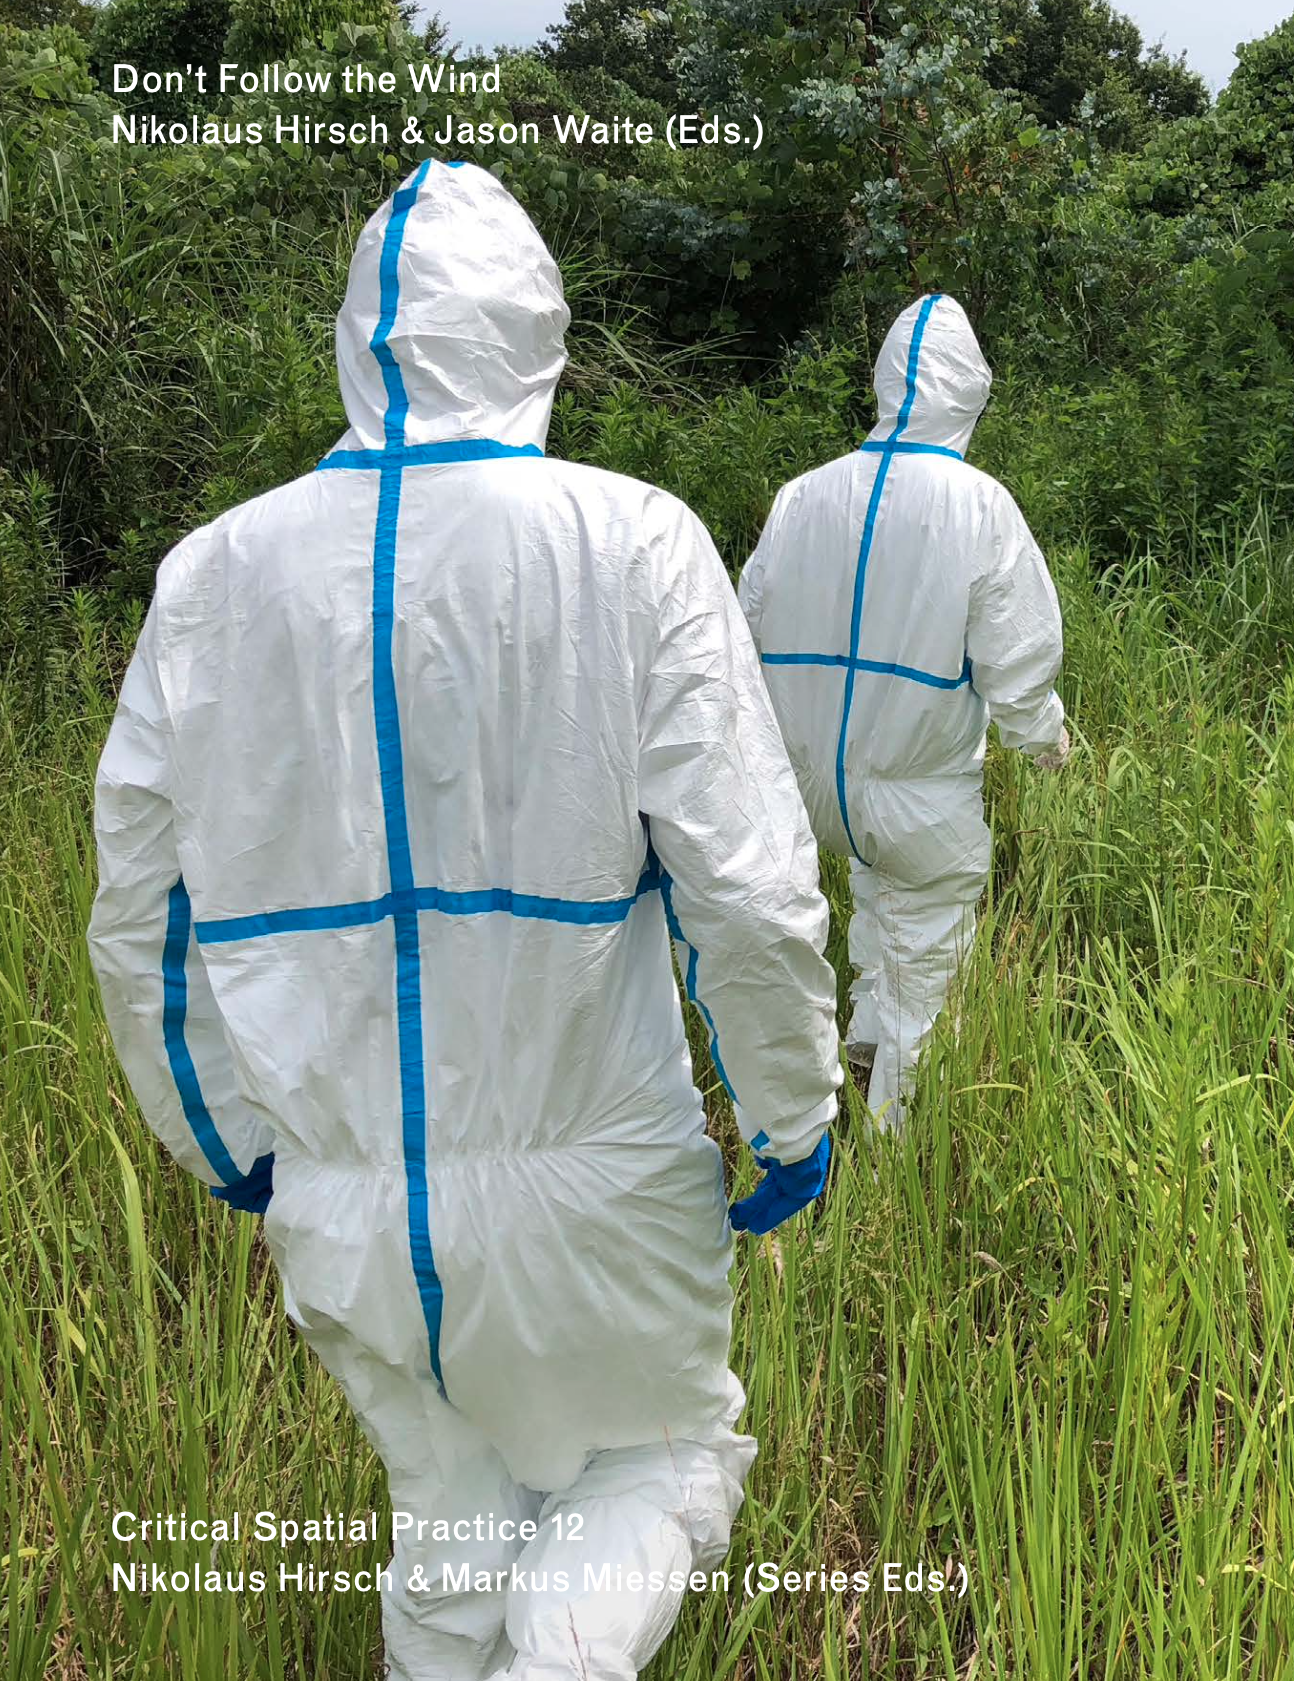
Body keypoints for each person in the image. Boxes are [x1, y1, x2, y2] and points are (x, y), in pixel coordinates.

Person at [88, 160, 841, 1681]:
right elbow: (748, 889)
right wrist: (792, 1112)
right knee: (659, 1458)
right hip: (599, 1177)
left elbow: (140, 918)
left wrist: (227, 1146)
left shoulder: (209, 575)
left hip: (347, 1201)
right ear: (538, 339)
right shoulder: (631, 541)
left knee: (449, 1511)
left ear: (355, 347)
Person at [738, 292, 1067, 1129]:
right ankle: (900, 1140)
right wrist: (1045, 739)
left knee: (877, 892)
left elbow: (744, 630)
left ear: (886, 383)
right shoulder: (978, 506)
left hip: (813, 785)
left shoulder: (802, 496)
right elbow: (1018, 660)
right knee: (927, 949)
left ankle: (861, 1049)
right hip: (917, 791)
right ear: (970, 394)